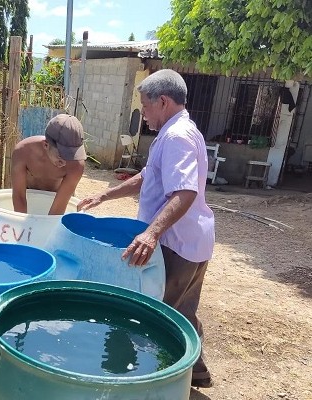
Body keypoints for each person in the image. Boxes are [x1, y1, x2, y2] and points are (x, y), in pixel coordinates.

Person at [78, 69, 215, 388]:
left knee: (161, 318)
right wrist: (105, 194)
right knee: (182, 310)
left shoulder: (177, 137)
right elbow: (148, 176)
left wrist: (151, 233)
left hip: (176, 244)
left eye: (146, 106)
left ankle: (163, 384)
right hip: (193, 241)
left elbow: (185, 192)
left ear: (163, 101)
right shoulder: (175, 132)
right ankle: (196, 372)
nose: (143, 115)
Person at [11, 114, 86, 215]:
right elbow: (19, 196)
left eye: (71, 156)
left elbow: (59, 207)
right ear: (46, 145)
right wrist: (24, 228)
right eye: (61, 157)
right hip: (29, 196)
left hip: (57, 198)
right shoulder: (23, 152)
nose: (65, 163)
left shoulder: (77, 165)